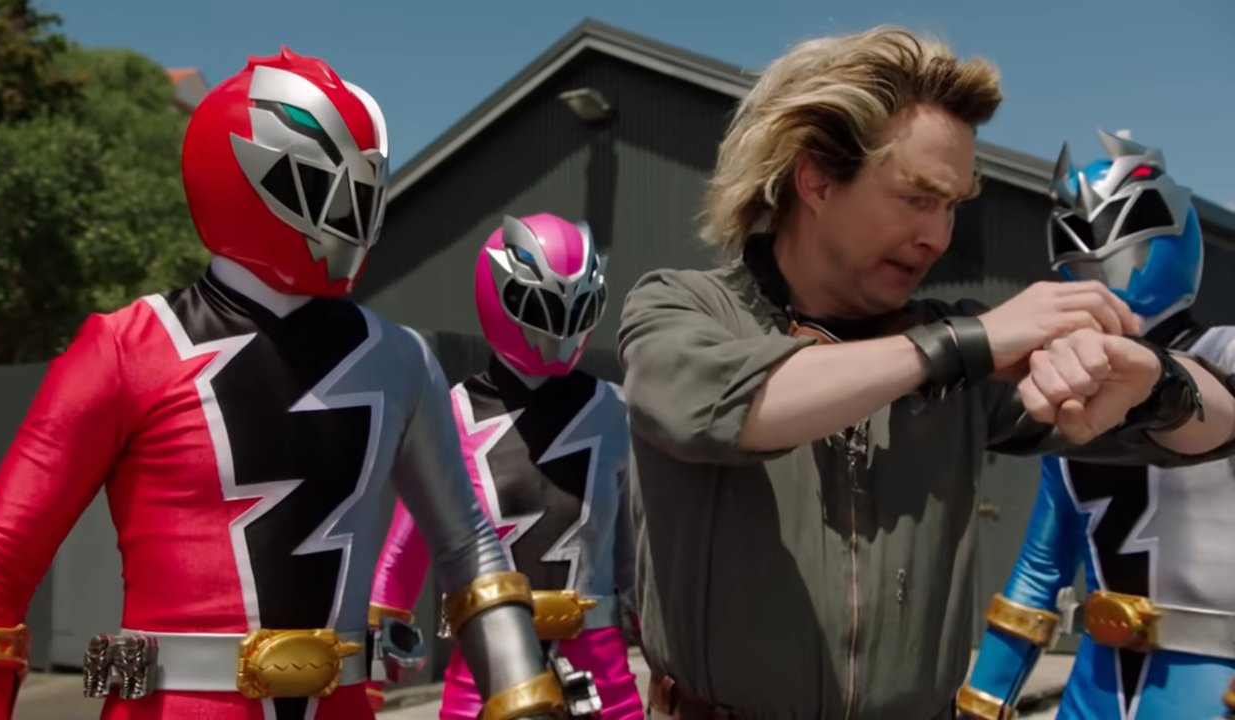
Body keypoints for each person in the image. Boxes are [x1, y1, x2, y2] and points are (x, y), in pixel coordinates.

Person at [616, 25, 1235, 720]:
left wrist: (1155, 382)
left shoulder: (969, 349)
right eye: (916, 198)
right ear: (816, 178)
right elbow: (712, 405)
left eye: (952, 206)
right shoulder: (681, 307)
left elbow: (1214, 428)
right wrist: (956, 349)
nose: (938, 237)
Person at [0, 49, 590, 720]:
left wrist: (523, 696)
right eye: (322, 186)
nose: (348, 214)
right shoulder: (127, 348)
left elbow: (469, 547)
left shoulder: (402, 359)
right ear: (244, 174)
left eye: (362, 188)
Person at [959, 132, 1235, 719]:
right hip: (1096, 686)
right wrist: (980, 705)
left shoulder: (1226, 356)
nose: (1097, 249)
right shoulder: (1072, 385)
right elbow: (1040, 571)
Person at [366, 213, 642, 719]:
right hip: (485, 679)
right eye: (544, 306)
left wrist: (673, 660)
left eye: (578, 307)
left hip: (602, 682)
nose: (561, 326)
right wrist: (368, 675)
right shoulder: (451, 412)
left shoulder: (617, 412)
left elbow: (637, 562)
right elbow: (402, 556)